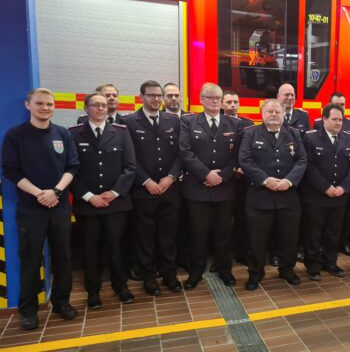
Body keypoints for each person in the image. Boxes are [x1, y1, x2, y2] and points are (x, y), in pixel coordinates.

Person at [1, 88, 79, 330]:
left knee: (63, 258)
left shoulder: (63, 134)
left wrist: (55, 192)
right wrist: (39, 194)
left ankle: (61, 303)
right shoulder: (15, 135)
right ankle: (28, 310)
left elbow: (72, 167)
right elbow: (11, 171)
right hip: (30, 208)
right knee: (31, 260)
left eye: (49, 104)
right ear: (28, 105)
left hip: (59, 207)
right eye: (40, 104)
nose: (45, 108)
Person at [69, 91, 136, 308]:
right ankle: (93, 291)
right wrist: (89, 196)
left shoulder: (121, 132)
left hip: (116, 203)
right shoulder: (74, 134)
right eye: (95, 105)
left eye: (104, 105)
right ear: (86, 108)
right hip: (88, 205)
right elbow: (71, 169)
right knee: (90, 250)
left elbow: (130, 166)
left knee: (116, 248)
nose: (100, 109)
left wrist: (115, 192)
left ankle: (121, 287)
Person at [121, 81, 182, 295]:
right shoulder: (128, 121)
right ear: (141, 97)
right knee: (145, 237)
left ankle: (170, 275)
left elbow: (179, 153)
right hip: (143, 190)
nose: (156, 99)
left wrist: (171, 177)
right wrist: (146, 181)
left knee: (169, 235)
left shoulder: (173, 120)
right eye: (151, 95)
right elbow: (128, 158)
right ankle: (148, 278)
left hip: (169, 189)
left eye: (159, 95)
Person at [239, 99, 307, 291]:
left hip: (288, 196)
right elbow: (245, 160)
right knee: (257, 240)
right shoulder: (251, 133)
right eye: (270, 111)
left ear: (284, 114)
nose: (274, 115)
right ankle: (255, 273)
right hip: (260, 197)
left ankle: (287, 270)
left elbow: (302, 160)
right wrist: (265, 179)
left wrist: (289, 180)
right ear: (262, 114)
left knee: (289, 238)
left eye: (278, 112)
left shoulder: (293, 134)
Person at [179, 83, 240, 289]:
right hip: (198, 187)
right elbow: (185, 152)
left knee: (224, 232)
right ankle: (196, 272)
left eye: (218, 98)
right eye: (210, 98)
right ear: (201, 100)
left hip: (224, 187)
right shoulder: (188, 122)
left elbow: (238, 156)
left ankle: (225, 269)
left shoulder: (233, 124)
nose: (215, 101)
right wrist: (205, 174)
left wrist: (221, 176)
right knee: (198, 232)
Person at [302, 104, 350, 280]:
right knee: (314, 233)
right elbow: (309, 166)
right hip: (317, 195)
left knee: (334, 232)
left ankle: (330, 262)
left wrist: (344, 187)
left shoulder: (349, 138)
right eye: (334, 119)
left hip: (339, 195)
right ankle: (313, 265)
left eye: (340, 119)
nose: (338, 123)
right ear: (324, 119)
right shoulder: (311, 138)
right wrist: (325, 187)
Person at [222, 90, 254, 265]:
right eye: (228, 102)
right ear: (222, 104)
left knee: (242, 217)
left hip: (243, 179)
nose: (232, 105)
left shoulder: (248, 123)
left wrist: (242, 168)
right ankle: (223, 256)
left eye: (235, 102)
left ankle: (242, 253)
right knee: (223, 221)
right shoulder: (218, 123)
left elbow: (249, 151)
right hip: (224, 179)